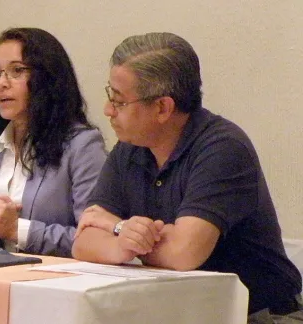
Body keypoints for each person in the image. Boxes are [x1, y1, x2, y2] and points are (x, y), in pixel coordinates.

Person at [72, 32, 303, 321]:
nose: (107, 111)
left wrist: (120, 234)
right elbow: (84, 241)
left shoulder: (223, 147)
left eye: (119, 102)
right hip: (180, 311)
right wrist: (121, 238)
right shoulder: (129, 148)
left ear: (162, 108)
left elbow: (183, 253)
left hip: (261, 316)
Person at [0, 27, 106, 257]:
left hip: (53, 282)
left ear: (47, 79)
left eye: (16, 71)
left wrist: (18, 230)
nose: (1, 84)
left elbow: (94, 238)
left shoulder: (81, 146)